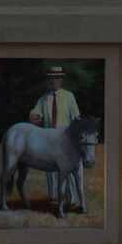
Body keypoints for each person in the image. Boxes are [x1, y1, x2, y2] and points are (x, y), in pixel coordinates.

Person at [28, 65, 81, 205]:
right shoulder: (44, 99)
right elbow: (35, 112)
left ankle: (73, 198)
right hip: (49, 140)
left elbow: (76, 117)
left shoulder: (69, 96)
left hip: (65, 140)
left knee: (67, 170)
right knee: (50, 170)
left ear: (61, 80)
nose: (54, 81)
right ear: (49, 80)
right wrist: (34, 116)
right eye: (51, 79)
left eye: (57, 78)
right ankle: (54, 197)